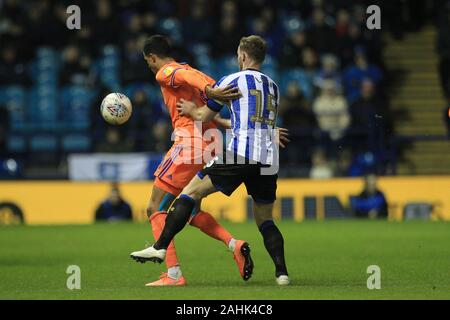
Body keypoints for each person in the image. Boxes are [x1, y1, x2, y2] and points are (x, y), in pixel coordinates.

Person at [131, 35, 290, 286]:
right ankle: (239, 247)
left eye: (148, 61)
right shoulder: (269, 85)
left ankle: (170, 268)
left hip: (189, 142)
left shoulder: (167, 71)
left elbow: (191, 82)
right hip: (226, 146)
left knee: (155, 207)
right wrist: (211, 91)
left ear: (151, 58)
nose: (150, 66)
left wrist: (209, 91)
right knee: (193, 210)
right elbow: (219, 113)